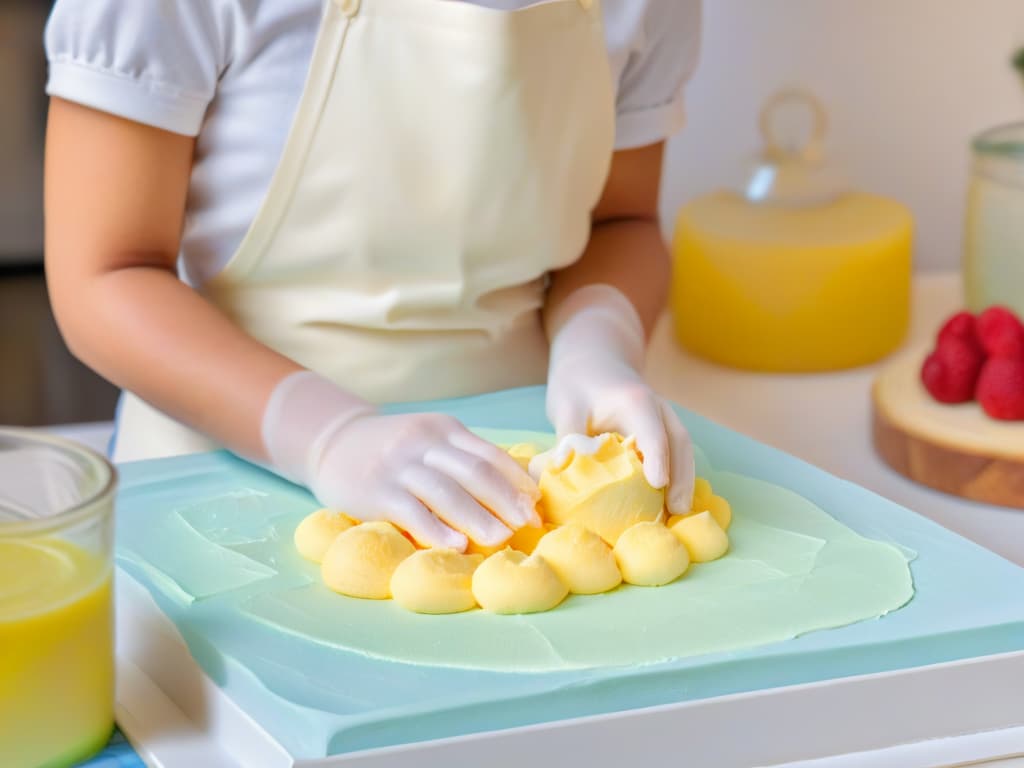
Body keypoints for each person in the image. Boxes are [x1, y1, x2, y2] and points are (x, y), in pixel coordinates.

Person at [44, 0, 700, 551]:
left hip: (524, 491)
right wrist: (329, 437)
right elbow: (105, 274)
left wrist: (599, 346)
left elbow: (622, 223)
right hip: (216, 479)